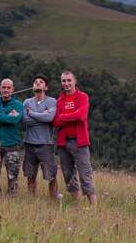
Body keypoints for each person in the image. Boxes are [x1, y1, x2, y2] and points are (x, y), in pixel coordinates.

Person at [53, 70, 97, 206]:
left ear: (75, 81)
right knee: (68, 175)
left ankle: (94, 208)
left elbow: (81, 116)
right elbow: (55, 122)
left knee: (85, 175)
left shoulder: (82, 97)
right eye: (63, 81)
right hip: (63, 143)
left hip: (79, 142)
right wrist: (72, 116)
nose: (66, 83)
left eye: (69, 80)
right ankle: (77, 205)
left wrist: (64, 117)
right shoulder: (59, 101)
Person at [22, 74, 58, 199]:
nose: (37, 83)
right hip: (29, 143)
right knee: (30, 175)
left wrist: (31, 113)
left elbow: (50, 118)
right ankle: (31, 201)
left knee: (51, 175)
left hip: (45, 144)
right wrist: (41, 116)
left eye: (41, 81)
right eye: (35, 81)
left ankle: (53, 201)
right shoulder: (27, 101)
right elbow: (25, 120)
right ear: (32, 86)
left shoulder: (52, 101)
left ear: (46, 87)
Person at [0, 78, 24, 195]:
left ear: (13, 89)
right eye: (4, 87)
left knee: (12, 176)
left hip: (12, 144)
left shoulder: (18, 105)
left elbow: (15, 120)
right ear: (0, 89)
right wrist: (6, 117)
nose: (6, 90)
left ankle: (11, 200)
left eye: (8, 88)